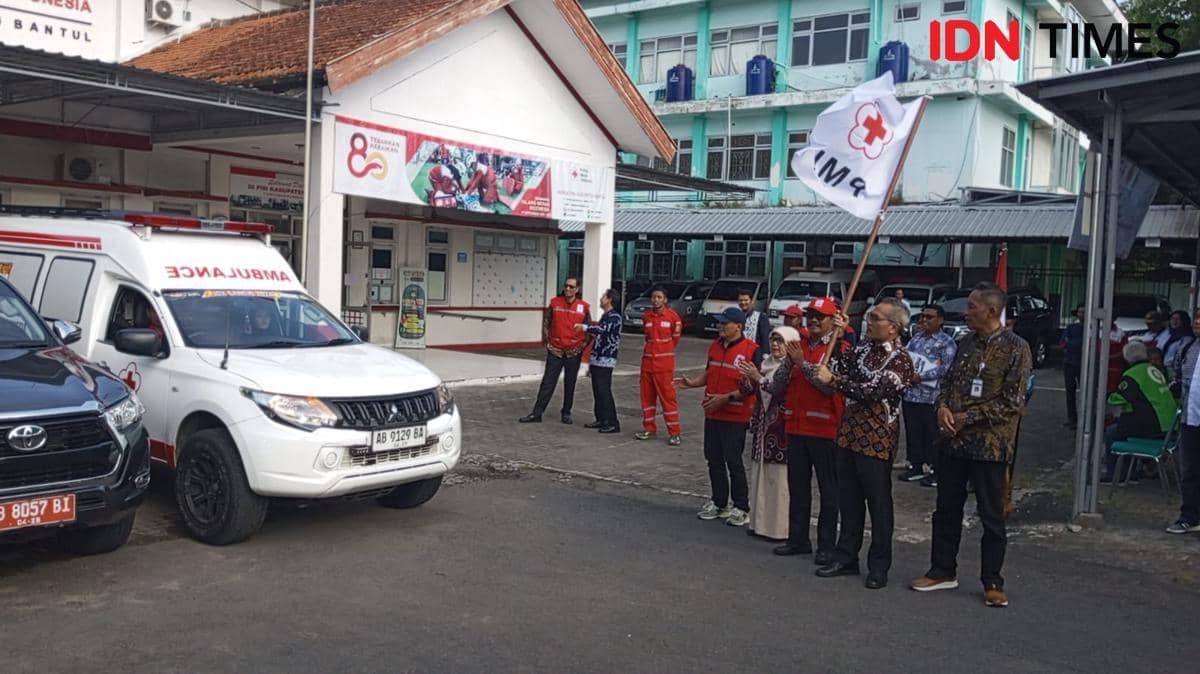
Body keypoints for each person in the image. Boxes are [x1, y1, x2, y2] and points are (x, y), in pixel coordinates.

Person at [912, 285, 1031, 609]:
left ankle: (992, 580)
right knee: (945, 509)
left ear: (991, 311)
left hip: (990, 445)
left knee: (992, 516)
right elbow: (948, 382)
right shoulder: (965, 343)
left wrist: (969, 416)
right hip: (953, 441)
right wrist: (943, 409)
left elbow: (1013, 400)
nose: (967, 312)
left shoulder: (1016, 348)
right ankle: (942, 570)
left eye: (973, 307)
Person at [810, 298, 913, 589]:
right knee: (849, 501)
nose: (869, 321)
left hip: (877, 441)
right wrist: (838, 337)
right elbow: (834, 367)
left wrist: (836, 381)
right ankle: (846, 556)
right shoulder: (862, 350)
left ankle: (879, 565)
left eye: (876, 318)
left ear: (893, 327)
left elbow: (871, 391)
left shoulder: (901, 360)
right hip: (848, 435)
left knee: (879, 505)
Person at [772, 297, 848, 564]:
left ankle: (827, 545)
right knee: (798, 487)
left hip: (825, 430)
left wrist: (802, 364)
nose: (813, 320)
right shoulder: (798, 346)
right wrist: (789, 364)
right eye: (811, 315)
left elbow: (828, 386)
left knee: (829, 492)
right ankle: (798, 538)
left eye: (820, 316)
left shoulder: (839, 349)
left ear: (833, 319)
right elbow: (778, 384)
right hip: (796, 427)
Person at [677, 307, 758, 528]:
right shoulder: (715, 346)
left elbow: (753, 386)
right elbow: (710, 371)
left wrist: (727, 398)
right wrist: (694, 383)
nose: (721, 326)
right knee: (713, 459)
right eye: (720, 323)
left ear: (738, 327)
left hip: (735, 415)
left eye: (726, 323)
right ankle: (719, 501)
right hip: (713, 411)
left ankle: (741, 506)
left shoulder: (750, 351)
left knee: (733, 460)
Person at [737, 326, 800, 542]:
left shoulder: (791, 368)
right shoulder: (766, 364)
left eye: (781, 341)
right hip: (764, 429)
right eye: (773, 340)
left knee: (779, 479)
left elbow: (778, 390)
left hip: (781, 429)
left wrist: (758, 377)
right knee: (761, 475)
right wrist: (748, 378)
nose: (775, 345)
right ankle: (759, 523)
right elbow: (750, 391)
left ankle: (779, 529)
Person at [1100, 341, 1177, 483]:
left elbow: (1122, 397)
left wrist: (1108, 396)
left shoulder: (1132, 374)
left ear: (1127, 358)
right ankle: (1132, 473)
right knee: (1126, 426)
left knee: (1113, 432)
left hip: (1153, 427)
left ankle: (1116, 476)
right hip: (1169, 426)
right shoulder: (1154, 370)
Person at [520, 278, 591, 425]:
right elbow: (546, 321)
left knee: (570, 383)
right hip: (555, 350)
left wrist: (582, 346)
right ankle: (537, 413)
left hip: (573, 352)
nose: (568, 289)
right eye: (566, 286)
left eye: (571, 286)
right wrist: (548, 342)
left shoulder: (583, 307)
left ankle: (566, 412)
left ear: (577, 289)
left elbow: (589, 329)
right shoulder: (555, 303)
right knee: (548, 382)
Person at [900, 303, 957, 483]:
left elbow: (946, 369)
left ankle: (936, 470)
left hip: (932, 397)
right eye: (922, 316)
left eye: (929, 317)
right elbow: (905, 358)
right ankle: (915, 466)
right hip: (911, 395)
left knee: (932, 435)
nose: (924, 320)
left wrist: (921, 377)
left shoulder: (946, 342)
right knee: (913, 433)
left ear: (940, 320)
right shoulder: (916, 339)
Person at [636, 286, 683, 445]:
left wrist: (664, 351)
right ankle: (649, 429)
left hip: (664, 366)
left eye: (659, 297)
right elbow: (647, 338)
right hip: (647, 364)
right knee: (646, 398)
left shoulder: (673, 318)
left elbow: (675, 339)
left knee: (668, 399)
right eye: (654, 297)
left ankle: (674, 433)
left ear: (665, 300)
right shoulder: (646, 317)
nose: (656, 300)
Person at [1168, 316, 1200, 535]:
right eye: (1197, 317)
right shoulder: (1189, 347)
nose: (1198, 322)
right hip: (1190, 418)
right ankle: (1190, 517)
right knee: (1189, 470)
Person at [579, 289, 622, 434]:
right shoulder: (606, 315)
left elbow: (603, 330)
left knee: (604, 390)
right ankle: (601, 419)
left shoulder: (615, 317)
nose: (601, 299)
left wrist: (585, 327)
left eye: (604, 296)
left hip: (606, 359)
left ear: (609, 300)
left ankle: (612, 422)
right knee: (597, 390)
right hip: (597, 359)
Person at [1060, 304, 1085, 430]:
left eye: (1084, 312)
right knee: (1070, 392)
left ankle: (1084, 418)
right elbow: (1063, 342)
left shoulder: (1091, 328)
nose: (1082, 315)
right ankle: (1072, 418)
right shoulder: (1071, 327)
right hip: (1070, 362)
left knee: (1085, 392)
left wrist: (1071, 345)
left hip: (1083, 364)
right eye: (1080, 312)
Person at [738, 289, 771, 363]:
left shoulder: (761, 317)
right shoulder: (736, 317)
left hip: (755, 357)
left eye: (746, 300)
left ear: (752, 301)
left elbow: (765, 339)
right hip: (739, 355)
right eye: (740, 300)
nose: (743, 302)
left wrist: (765, 357)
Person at [1163, 310, 1195, 379]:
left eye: (1177, 319)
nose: (1174, 321)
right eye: (1172, 319)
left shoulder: (1187, 339)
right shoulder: (1169, 335)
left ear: (1184, 321)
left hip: (1174, 373)